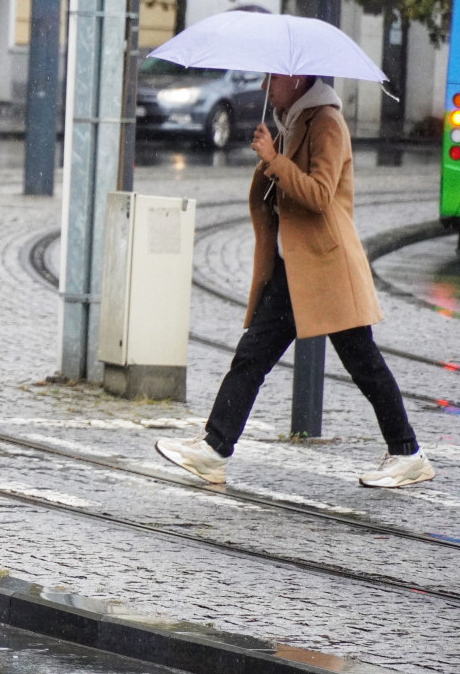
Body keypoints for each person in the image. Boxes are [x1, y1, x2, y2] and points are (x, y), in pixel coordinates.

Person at [155, 72, 435, 488]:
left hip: (326, 269)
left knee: (364, 365)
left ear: (299, 77)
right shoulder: (292, 120)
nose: (269, 83)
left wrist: (275, 159)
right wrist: (271, 160)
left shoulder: (325, 122)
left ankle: (408, 453)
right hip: (295, 270)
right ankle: (214, 449)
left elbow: (320, 194)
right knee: (252, 356)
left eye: (275, 76)